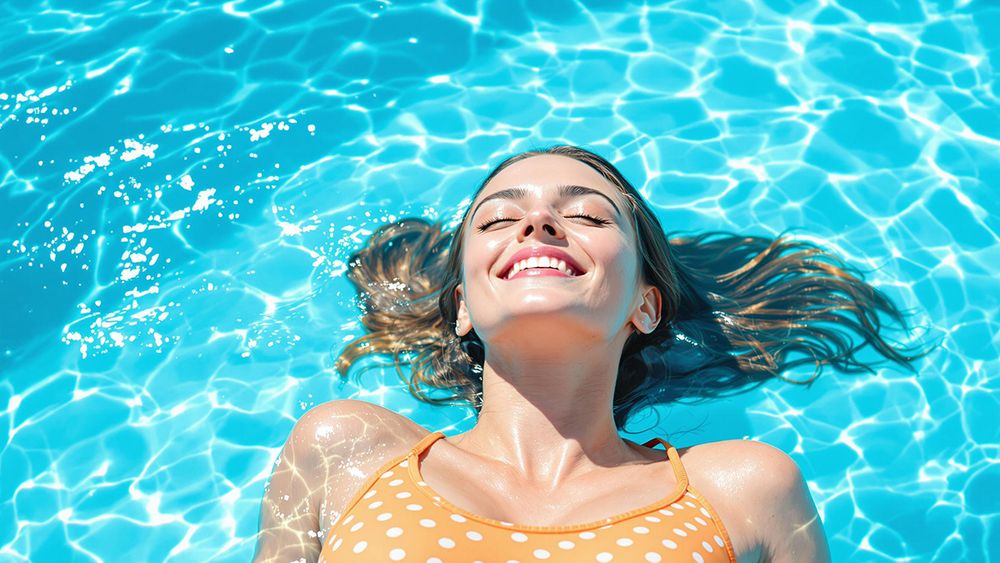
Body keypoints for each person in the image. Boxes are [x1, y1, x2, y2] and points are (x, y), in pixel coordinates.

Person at [253, 146, 926, 562]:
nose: (537, 222)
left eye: (588, 216)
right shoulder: (347, 446)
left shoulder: (745, 488)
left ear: (646, 303)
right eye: (496, 219)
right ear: (462, 304)